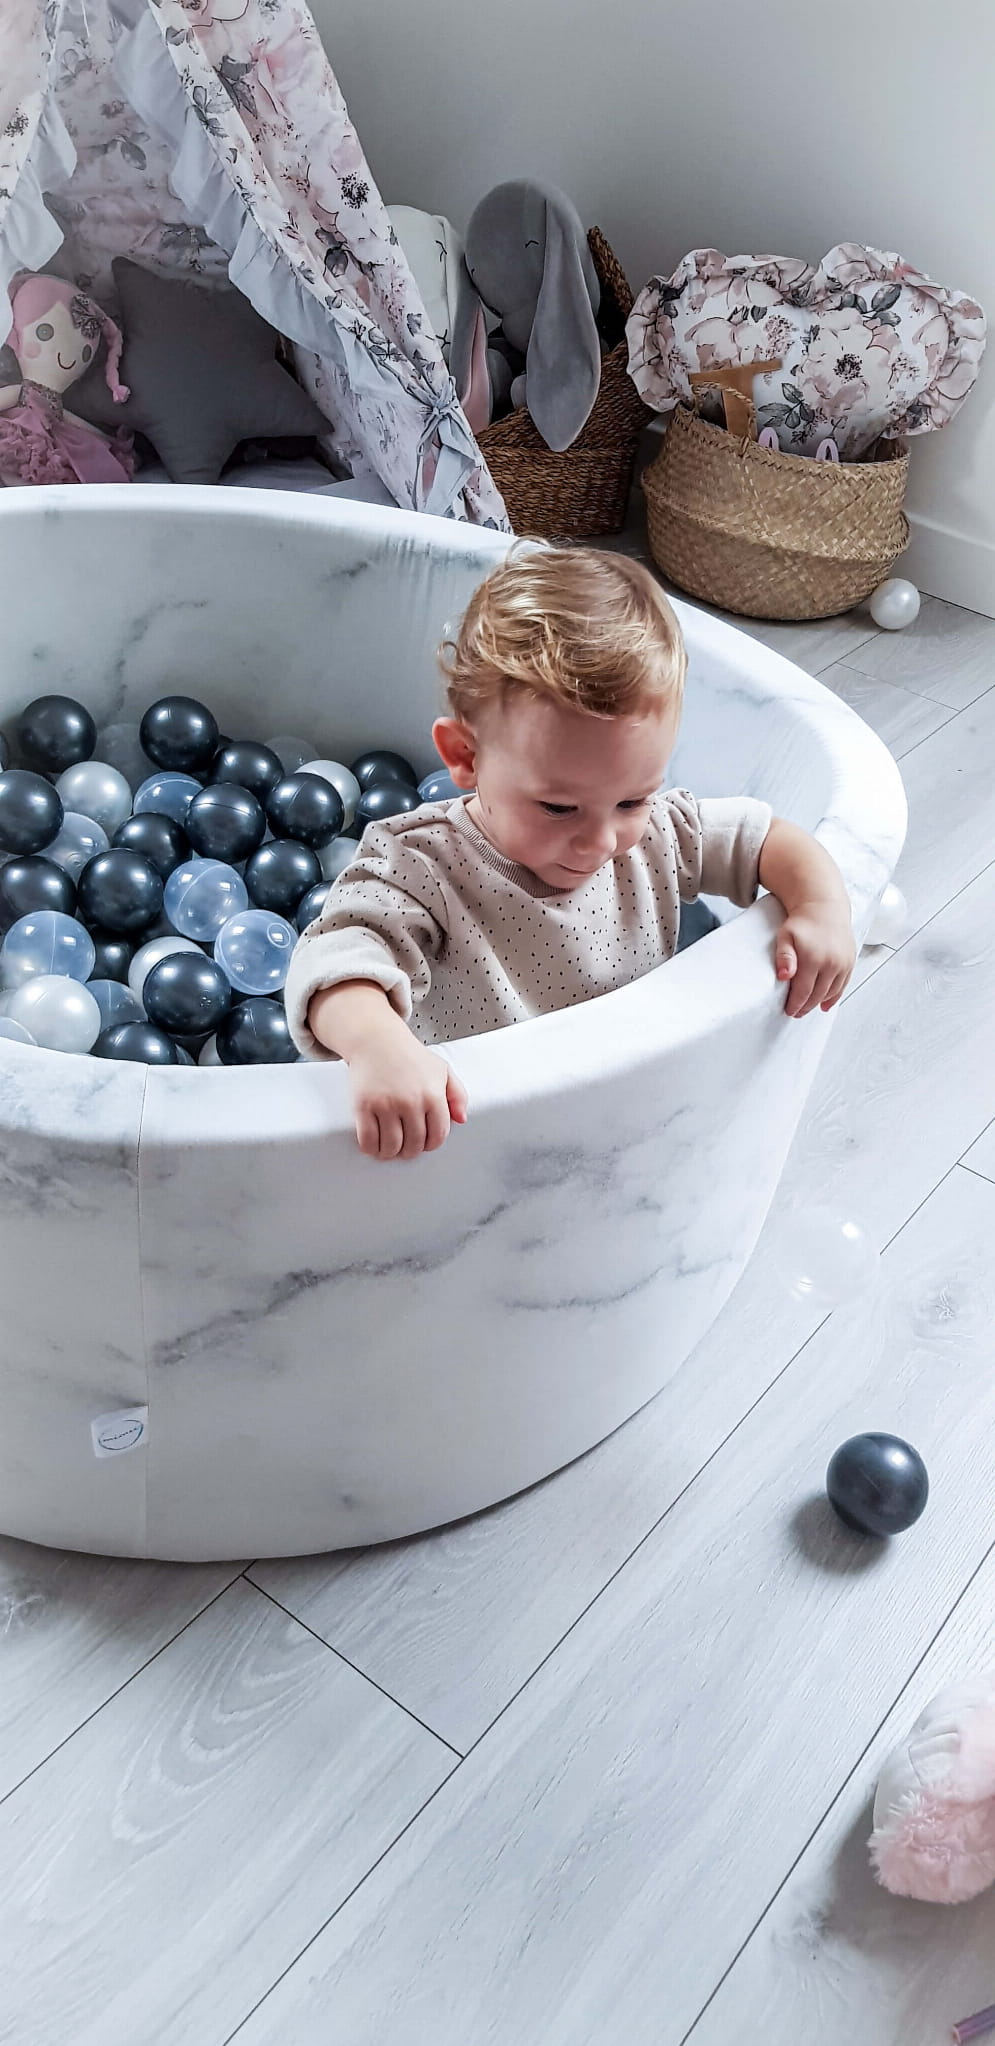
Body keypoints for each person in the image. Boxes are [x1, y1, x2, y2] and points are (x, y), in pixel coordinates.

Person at [284, 547, 856, 1161]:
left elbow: (767, 837)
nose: (600, 842)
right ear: (465, 757)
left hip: (624, 1114)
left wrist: (821, 907)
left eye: (632, 799)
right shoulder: (421, 866)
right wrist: (378, 1046)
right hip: (474, 1138)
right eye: (558, 808)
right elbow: (333, 961)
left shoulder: (659, 833)